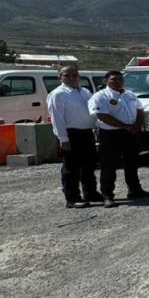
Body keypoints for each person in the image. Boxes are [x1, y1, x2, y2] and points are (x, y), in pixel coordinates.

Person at [89, 70, 149, 207]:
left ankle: (134, 189)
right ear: (106, 81)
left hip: (131, 133)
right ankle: (107, 195)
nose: (118, 82)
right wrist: (125, 126)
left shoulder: (130, 95)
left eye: (120, 79)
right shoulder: (100, 96)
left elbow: (140, 110)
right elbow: (102, 116)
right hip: (111, 135)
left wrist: (137, 125)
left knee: (132, 163)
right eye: (113, 80)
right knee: (109, 166)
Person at [47, 66, 99, 208]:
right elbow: (57, 119)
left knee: (89, 165)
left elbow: (92, 111)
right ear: (60, 77)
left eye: (74, 75)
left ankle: (91, 193)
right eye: (67, 75)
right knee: (71, 168)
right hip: (71, 134)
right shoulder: (58, 94)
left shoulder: (85, 92)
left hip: (87, 133)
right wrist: (63, 139)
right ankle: (72, 198)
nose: (71, 78)